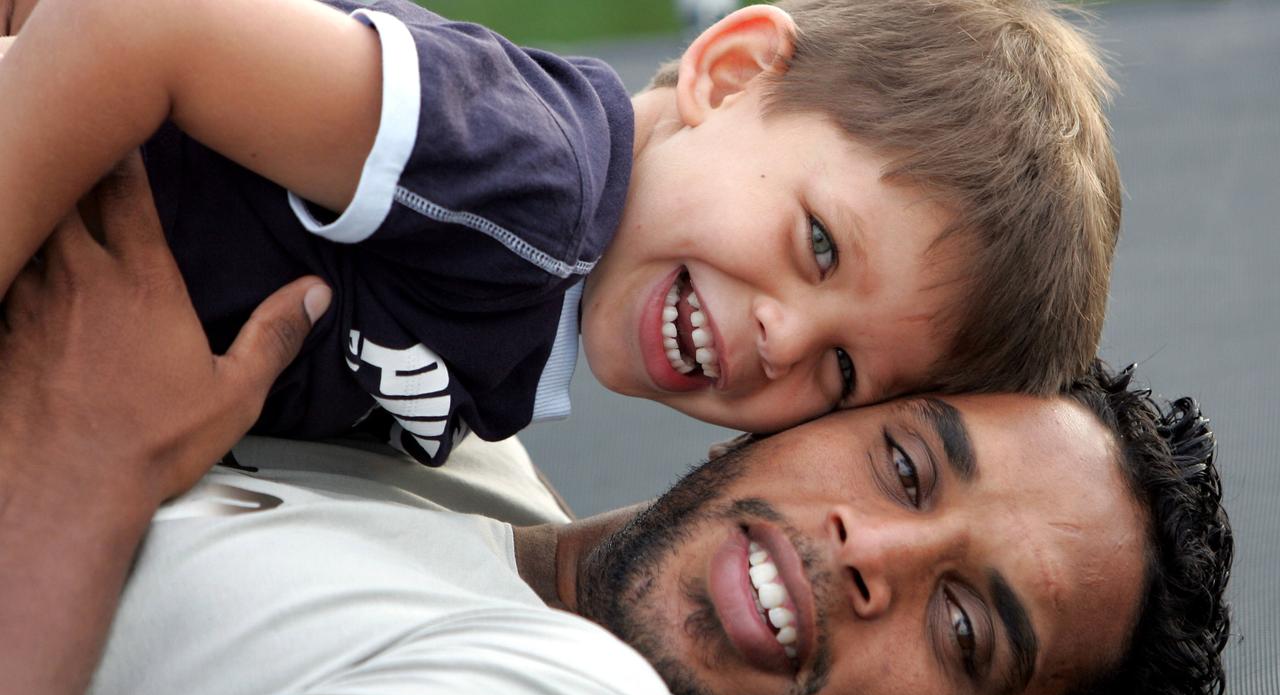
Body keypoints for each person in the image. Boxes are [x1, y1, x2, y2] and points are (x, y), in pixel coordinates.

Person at [0, 167, 1231, 695]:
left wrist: (71, 470)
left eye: (965, 631)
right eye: (904, 465)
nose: (874, 551)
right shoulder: (463, 451)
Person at [0, 0, 1121, 468]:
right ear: (730, 74)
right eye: (820, 246)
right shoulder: (531, 185)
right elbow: (131, 22)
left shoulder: (542, 304)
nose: (782, 337)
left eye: (840, 373)